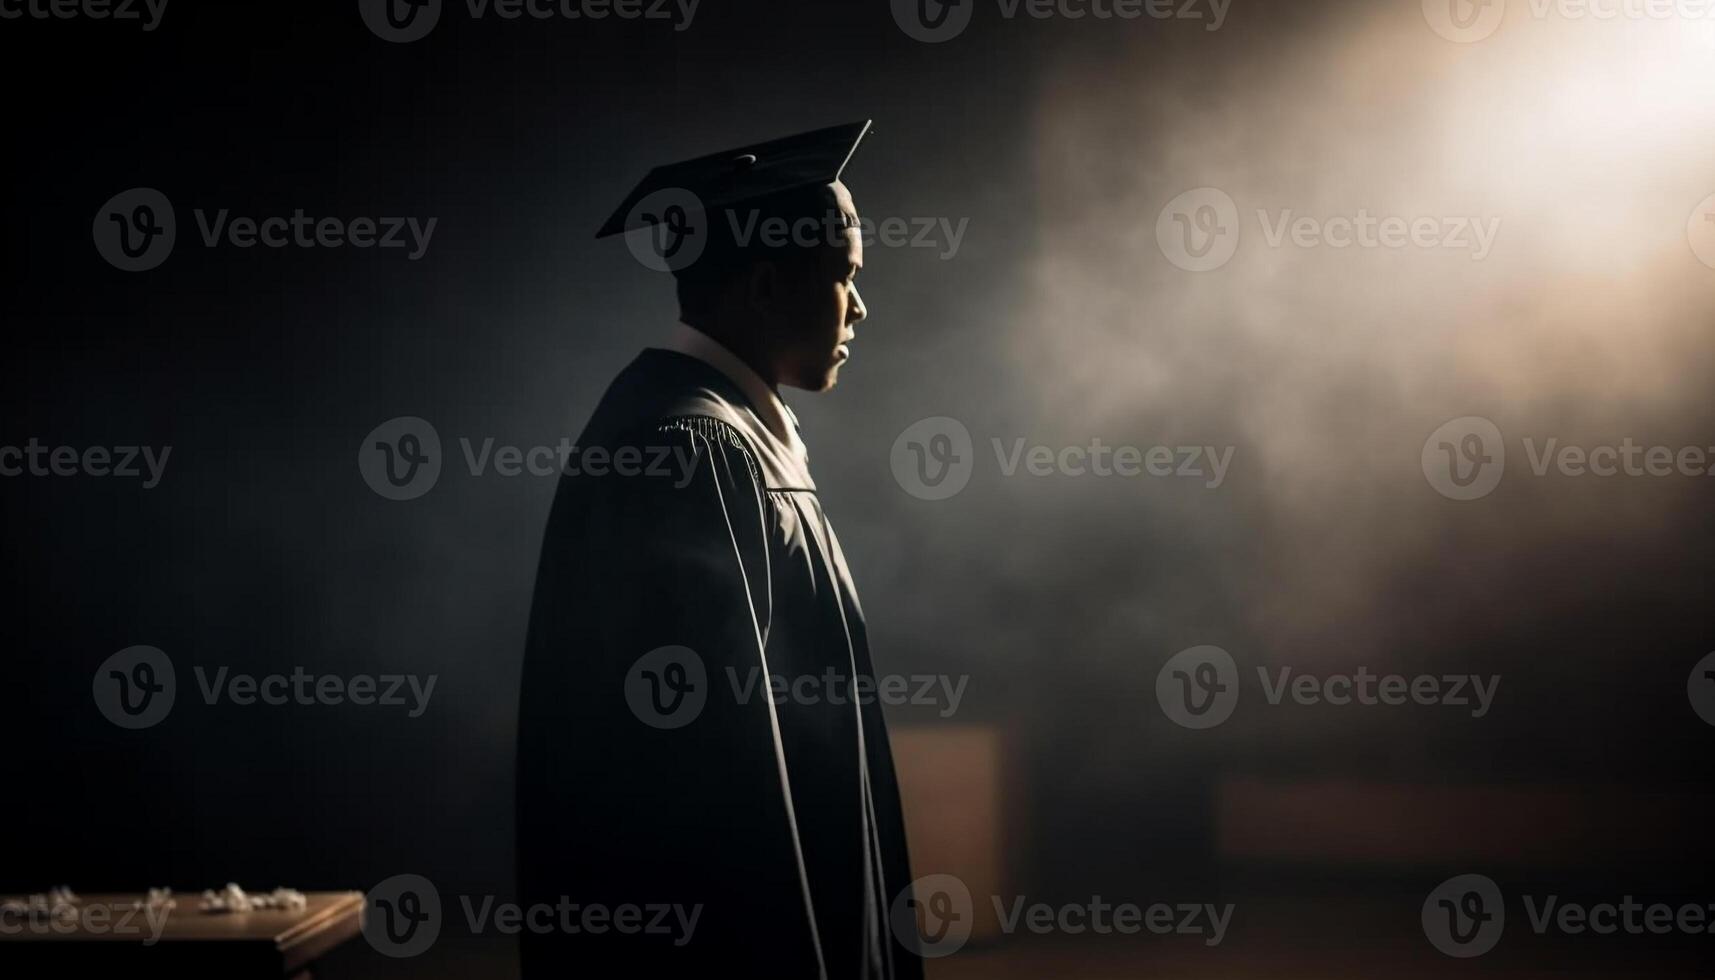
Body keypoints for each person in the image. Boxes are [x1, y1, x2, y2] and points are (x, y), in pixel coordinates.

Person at [516, 121, 924, 979]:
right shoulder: (684, 453)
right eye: (844, 274)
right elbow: (713, 776)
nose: (860, 305)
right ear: (769, 285)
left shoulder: (717, 434)